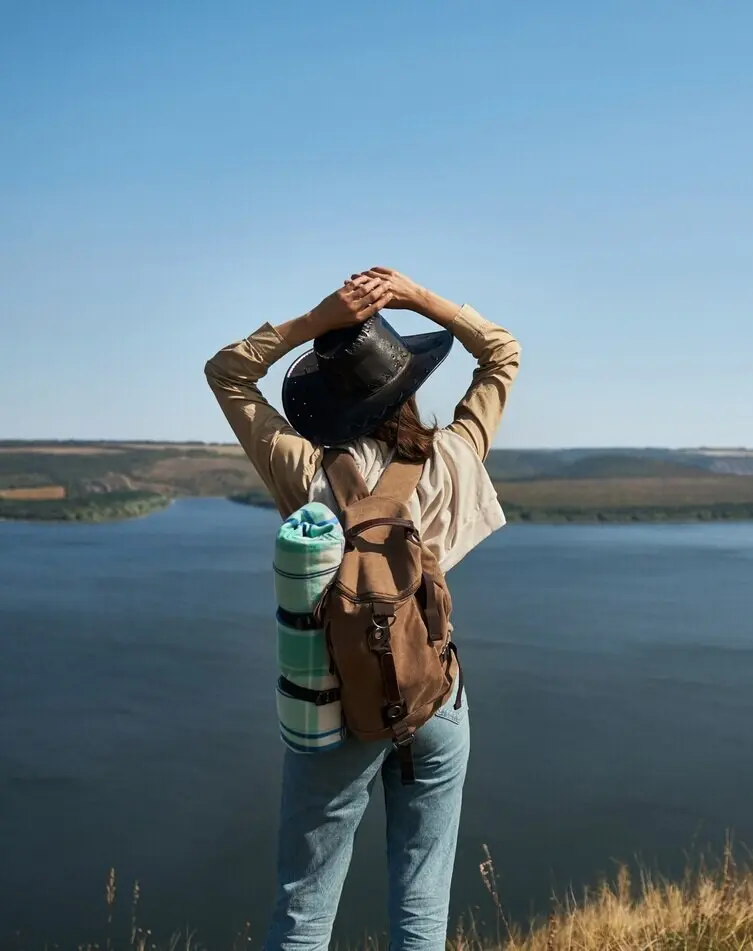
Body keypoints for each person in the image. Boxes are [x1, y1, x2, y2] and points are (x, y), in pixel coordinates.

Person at [204, 266, 520, 951]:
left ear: (325, 405)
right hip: (435, 701)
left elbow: (226, 373)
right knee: (420, 903)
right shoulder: (453, 456)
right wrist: (418, 298)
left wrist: (314, 321)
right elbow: (502, 353)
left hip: (335, 710)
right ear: (407, 386)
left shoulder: (305, 470)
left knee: (304, 909)